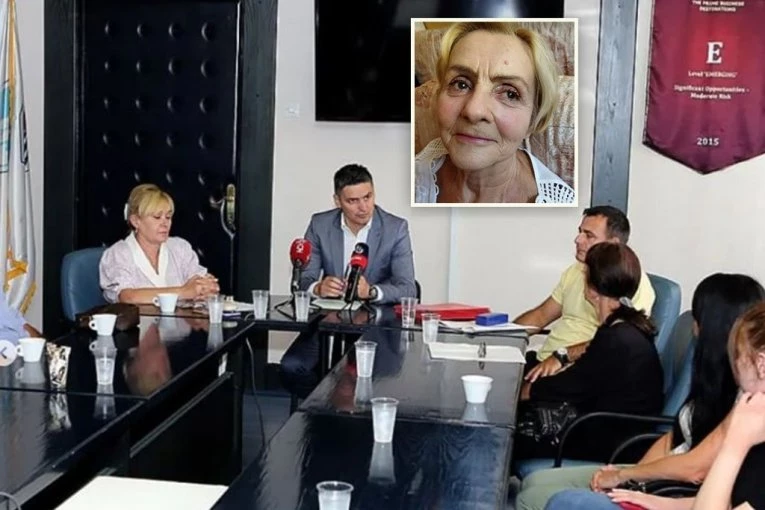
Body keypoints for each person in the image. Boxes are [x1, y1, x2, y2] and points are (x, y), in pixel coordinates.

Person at [515, 273, 765, 510]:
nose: (693, 327)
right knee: (536, 484)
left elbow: (697, 471)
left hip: (673, 486)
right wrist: (633, 481)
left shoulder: (745, 407)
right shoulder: (715, 382)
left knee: (547, 499)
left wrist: (628, 479)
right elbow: (673, 438)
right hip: (663, 485)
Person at [515, 242, 663, 462]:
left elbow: (572, 385)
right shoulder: (629, 326)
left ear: (592, 291)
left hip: (608, 442)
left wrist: (524, 391)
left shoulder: (615, 338)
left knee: (507, 434)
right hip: (611, 429)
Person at [281, 164, 416, 398]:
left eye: (368, 197)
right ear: (337, 201)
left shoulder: (395, 228)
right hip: (329, 321)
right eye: (353, 201)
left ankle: (345, 407)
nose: (363, 207)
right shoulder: (320, 225)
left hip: (375, 324)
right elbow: (303, 279)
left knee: (367, 374)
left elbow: (408, 289)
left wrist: (371, 291)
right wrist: (318, 287)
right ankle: (321, 408)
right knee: (292, 367)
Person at [413, 21, 574, 204]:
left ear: (534, 119)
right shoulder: (418, 169)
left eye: (510, 94)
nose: (474, 111)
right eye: (461, 84)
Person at [515, 206, 655, 378]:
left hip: (576, 369)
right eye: (580, 232)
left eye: (589, 235)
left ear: (613, 244)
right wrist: (503, 337)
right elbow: (541, 316)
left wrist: (563, 355)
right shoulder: (576, 270)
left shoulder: (633, 283)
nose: (578, 239)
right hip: (545, 361)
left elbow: (620, 342)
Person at [99, 184, 220, 304]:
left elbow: (197, 279)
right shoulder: (119, 253)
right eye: (157, 217)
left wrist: (206, 287)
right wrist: (184, 292)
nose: (165, 223)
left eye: (168, 217)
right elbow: (128, 296)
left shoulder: (179, 247)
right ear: (135, 221)